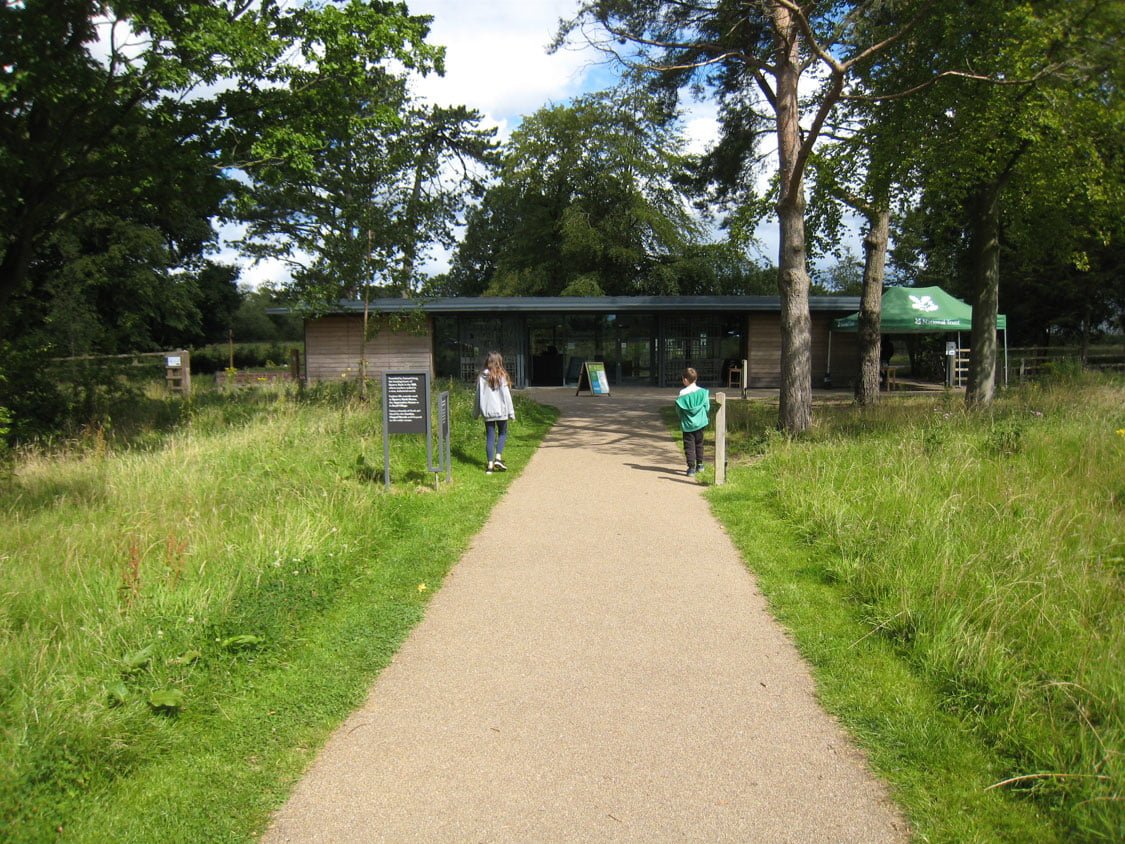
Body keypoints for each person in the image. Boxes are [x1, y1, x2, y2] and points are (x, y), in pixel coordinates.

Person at [473, 351, 516, 475]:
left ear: (487, 362)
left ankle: (490, 466)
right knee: (502, 433)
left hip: (487, 412)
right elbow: (506, 396)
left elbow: (478, 397)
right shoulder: (501, 376)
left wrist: (476, 413)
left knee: (490, 437)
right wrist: (511, 412)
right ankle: (498, 458)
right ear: (499, 362)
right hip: (501, 411)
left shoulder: (482, 377)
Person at [675, 367, 710, 477]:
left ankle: (691, 468)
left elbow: (679, 410)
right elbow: (707, 407)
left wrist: (682, 418)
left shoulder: (682, 394)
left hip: (687, 424)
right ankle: (700, 465)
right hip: (700, 422)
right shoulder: (703, 393)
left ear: (685, 380)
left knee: (689, 446)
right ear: (695, 379)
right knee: (699, 444)